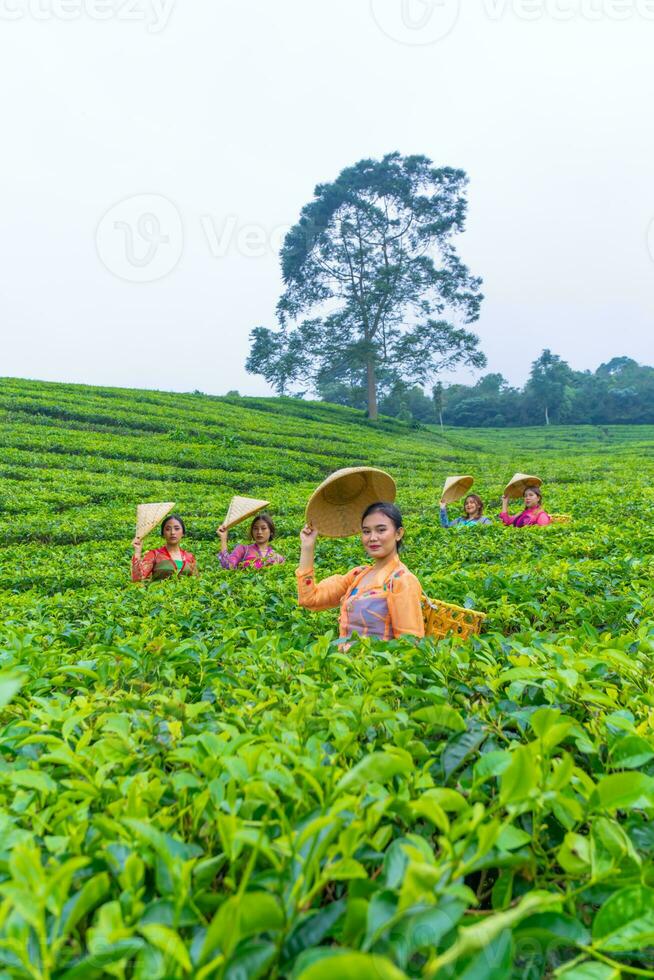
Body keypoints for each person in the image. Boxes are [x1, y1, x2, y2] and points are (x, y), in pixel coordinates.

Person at [297, 501, 424, 642]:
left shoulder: (401, 581)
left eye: (381, 530)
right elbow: (310, 599)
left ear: (398, 533)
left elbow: (411, 644)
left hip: (378, 663)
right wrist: (307, 546)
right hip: (347, 663)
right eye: (366, 531)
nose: (372, 538)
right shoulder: (358, 575)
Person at [132, 514, 198, 581]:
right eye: (168, 529)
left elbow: (196, 580)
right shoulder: (154, 554)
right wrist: (137, 552)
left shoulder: (189, 557)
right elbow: (138, 579)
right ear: (163, 533)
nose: (172, 532)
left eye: (177, 529)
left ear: (183, 533)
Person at [217, 512, 285, 570]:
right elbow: (228, 566)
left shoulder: (277, 557)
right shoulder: (242, 550)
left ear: (271, 532)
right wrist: (223, 539)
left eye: (263, 528)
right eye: (255, 528)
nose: (259, 532)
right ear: (252, 531)